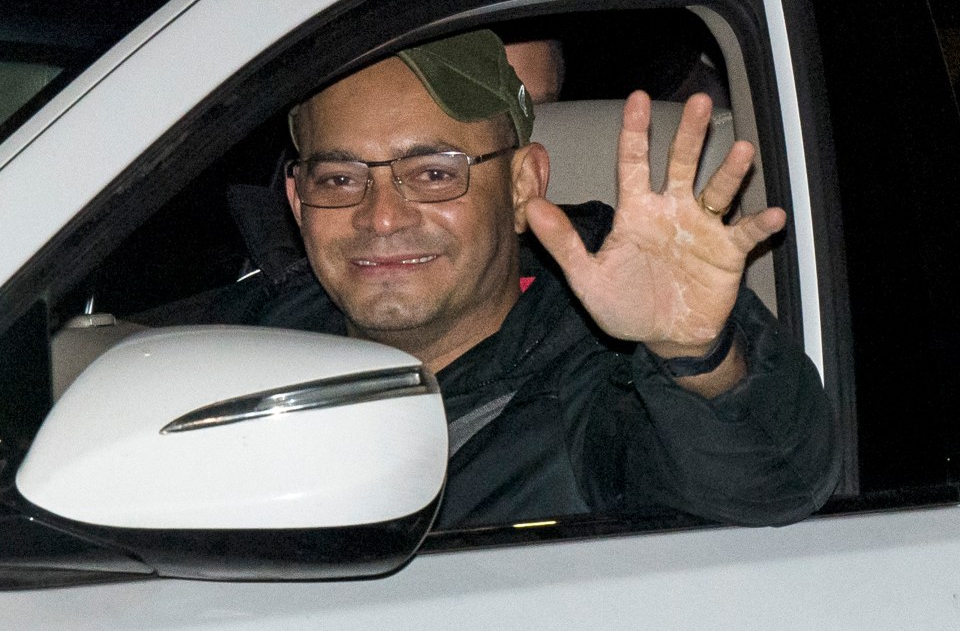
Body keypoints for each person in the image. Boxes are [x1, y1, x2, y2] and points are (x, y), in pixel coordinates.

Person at [148, 29, 839, 529]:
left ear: (521, 184)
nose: (381, 216)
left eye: (434, 173)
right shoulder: (258, 335)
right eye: (340, 177)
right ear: (299, 204)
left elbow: (771, 483)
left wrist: (697, 355)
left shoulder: (592, 384)